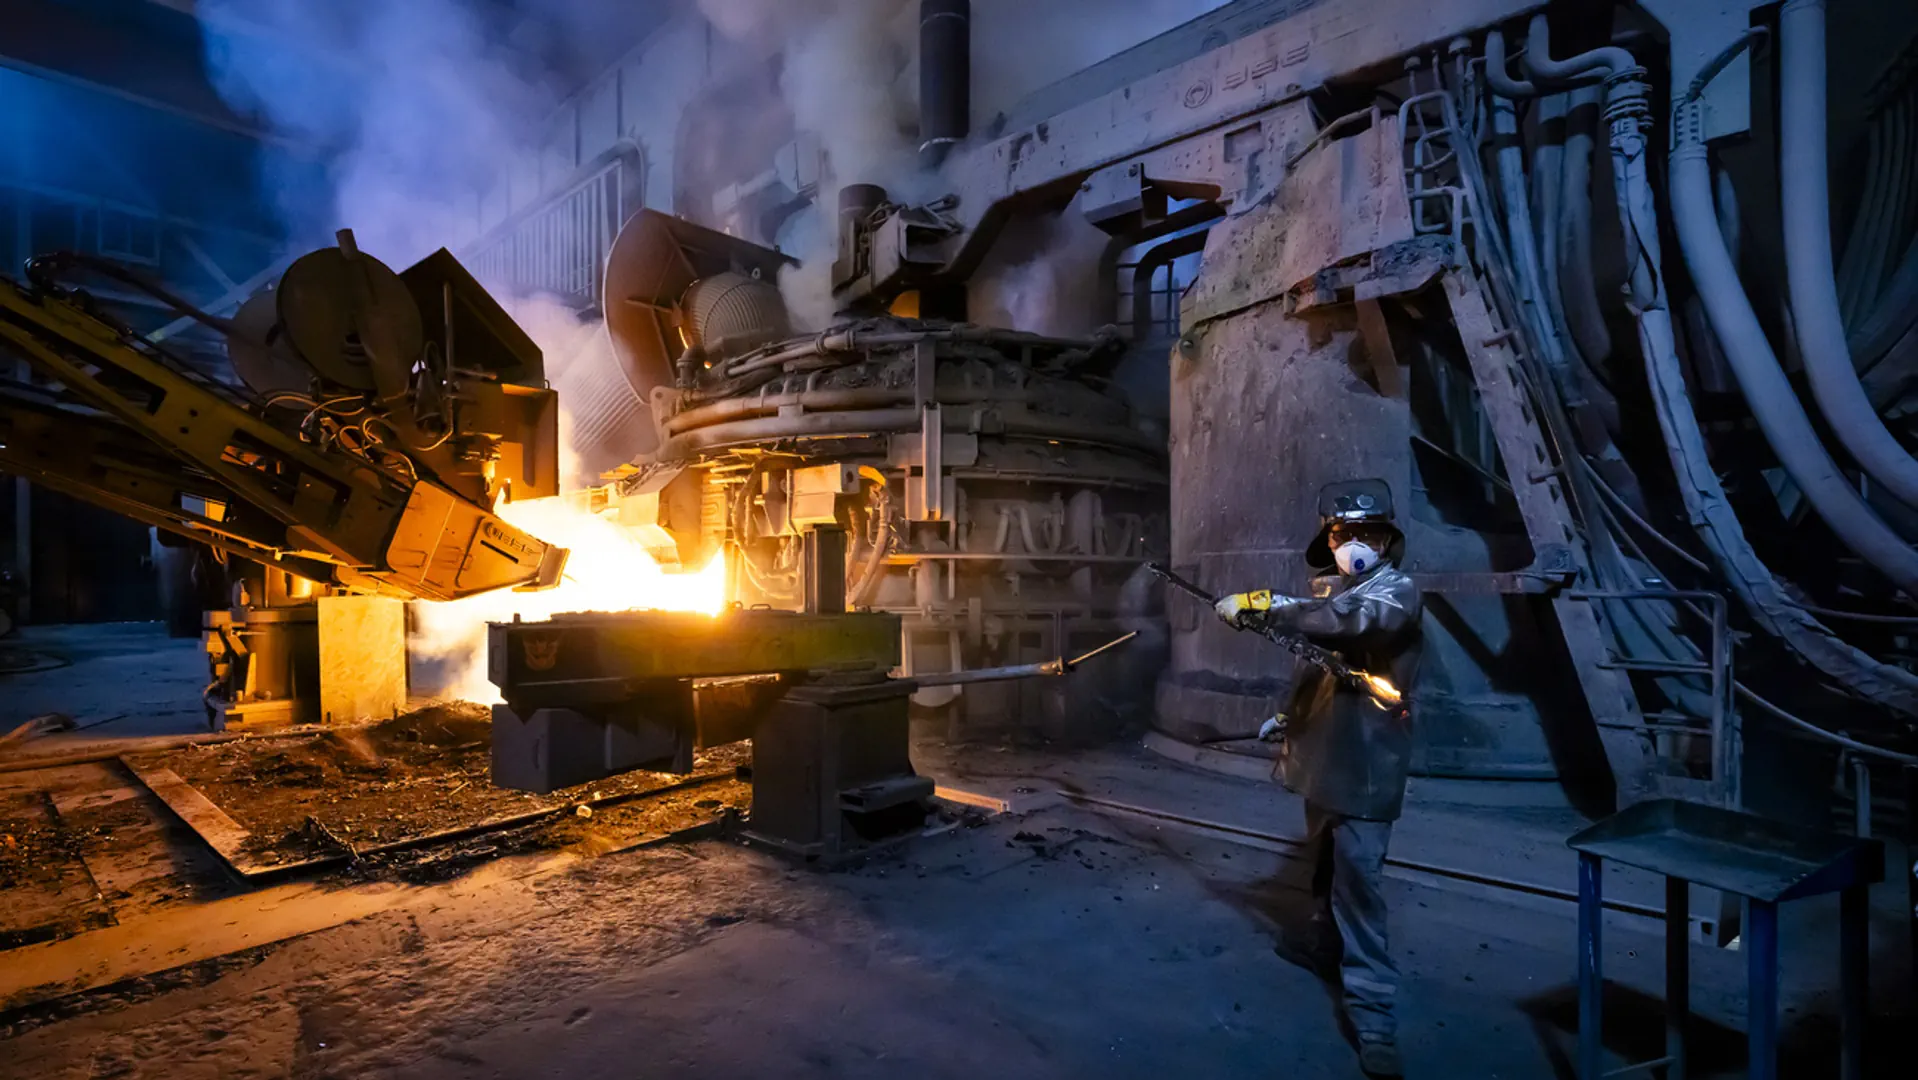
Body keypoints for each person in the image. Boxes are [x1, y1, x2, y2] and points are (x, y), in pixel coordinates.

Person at [1212, 479, 1423, 1078]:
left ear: (1387, 540)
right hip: (1325, 756)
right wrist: (1290, 713)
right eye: (1341, 534)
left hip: (1366, 766)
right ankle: (1320, 943)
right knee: (1325, 861)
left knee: (1360, 884)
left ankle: (1375, 1019)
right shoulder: (1343, 593)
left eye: (1364, 534)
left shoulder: (1395, 594)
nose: (1352, 544)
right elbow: (1324, 664)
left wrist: (1266, 604)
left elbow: (1350, 625)